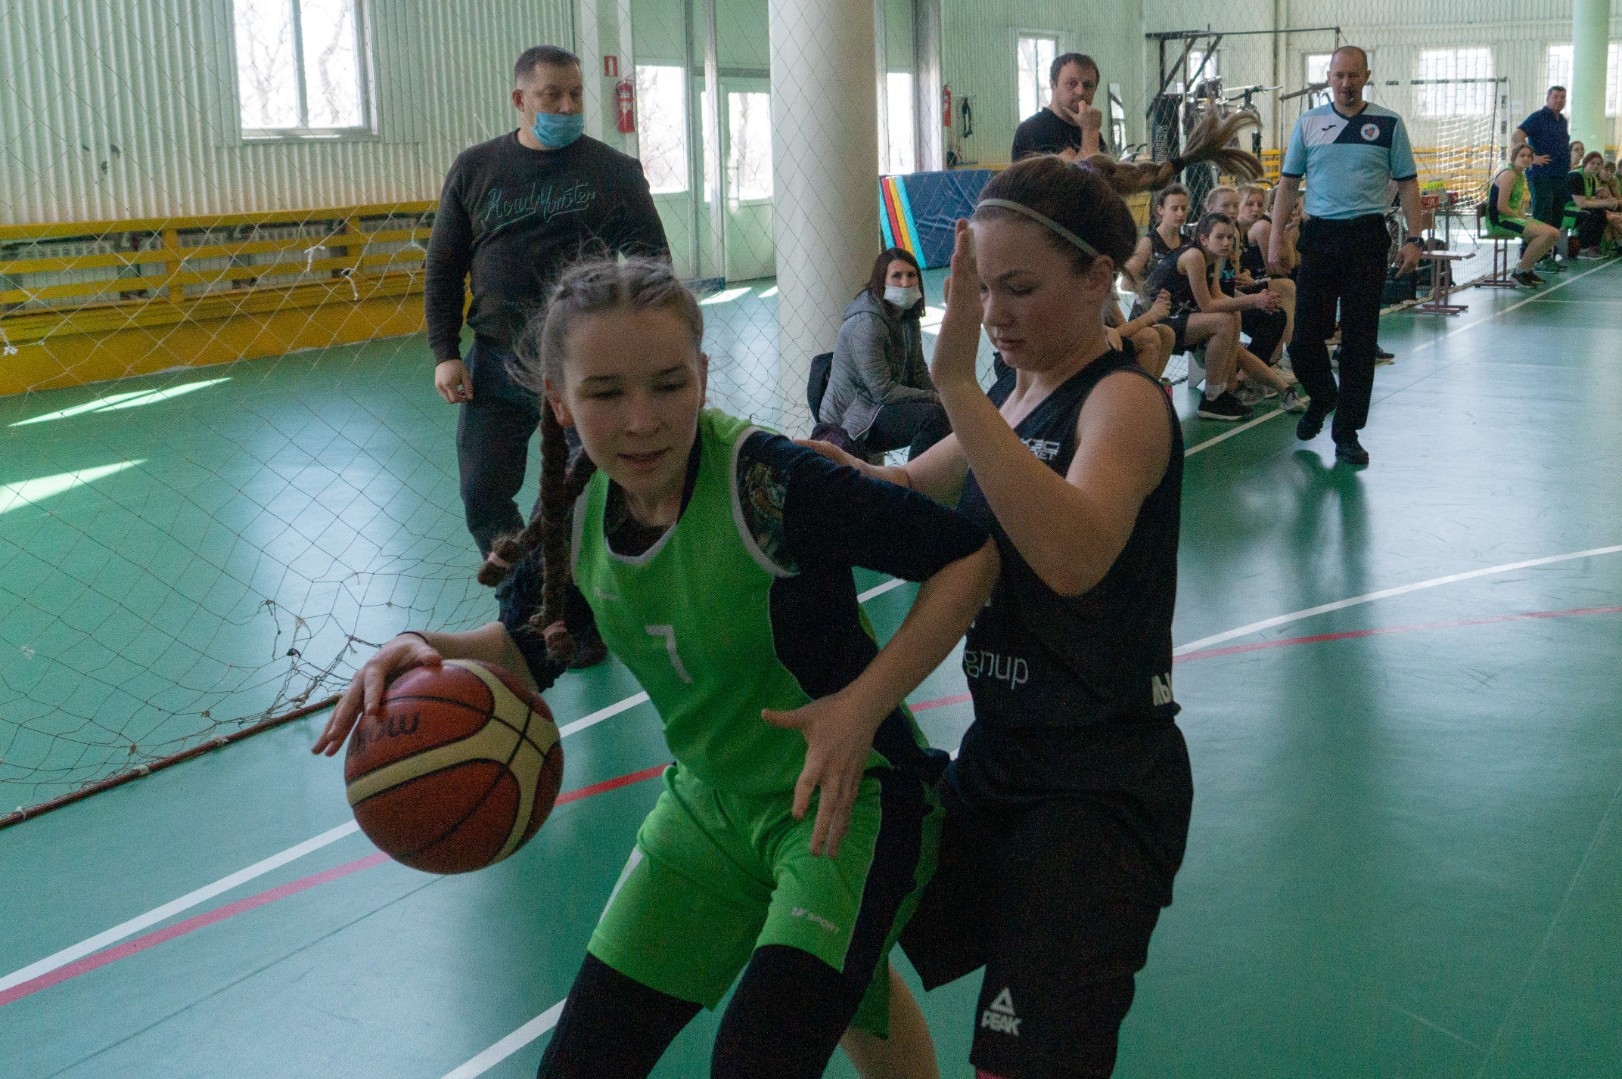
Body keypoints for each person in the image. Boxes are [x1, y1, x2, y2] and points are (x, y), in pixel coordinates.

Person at [315, 258, 999, 1079]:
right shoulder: (575, 510)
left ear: (702, 376)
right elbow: (526, 646)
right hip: (709, 806)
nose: (642, 420)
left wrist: (862, 705)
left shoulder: (770, 483)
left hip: (849, 801)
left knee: (758, 1056)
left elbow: (967, 556)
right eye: (605, 394)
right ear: (558, 402)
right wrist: (427, 645)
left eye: (669, 385)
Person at [804, 121, 1255, 1077]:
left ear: (1096, 279)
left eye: (1018, 289)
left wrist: (957, 387)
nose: (994, 315)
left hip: (1098, 786)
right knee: (828, 936)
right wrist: (793, 470)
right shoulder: (1013, 397)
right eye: (979, 290)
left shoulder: (1119, 404)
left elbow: (1072, 555)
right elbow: (903, 488)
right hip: (1000, 760)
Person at [425, 46, 670, 566]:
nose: (566, 107)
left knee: (588, 490)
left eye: (575, 94)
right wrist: (445, 352)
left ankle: (576, 592)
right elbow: (443, 267)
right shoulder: (475, 169)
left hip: (586, 360)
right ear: (520, 100)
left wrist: (646, 344)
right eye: (551, 95)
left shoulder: (614, 173)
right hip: (497, 361)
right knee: (482, 492)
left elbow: (653, 265)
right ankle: (521, 586)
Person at [1268, 45, 1423, 467]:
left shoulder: (1389, 124)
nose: (1346, 83)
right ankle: (1323, 396)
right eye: (1339, 75)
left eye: (1354, 75)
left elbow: (1408, 184)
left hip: (1366, 238)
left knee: (1358, 340)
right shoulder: (1309, 123)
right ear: (1328, 78)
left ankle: (1347, 432)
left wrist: (1415, 238)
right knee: (1304, 339)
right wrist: (1275, 237)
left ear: (1366, 76)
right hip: (1319, 238)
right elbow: (1288, 184)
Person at [821, 248, 951, 460]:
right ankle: (915, 479)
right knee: (932, 418)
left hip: (875, 406)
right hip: (854, 417)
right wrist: (935, 398)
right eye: (896, 276)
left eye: (911, 275)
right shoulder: (867, 324)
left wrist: (942, 398)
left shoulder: (907, 317)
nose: (906, 283)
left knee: (948, 412)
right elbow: (882, 392)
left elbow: (918, 371)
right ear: (881, 281)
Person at [1510, 87, 1572, 274]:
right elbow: (1517, 135)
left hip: (1560, 175)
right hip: (1542, 175)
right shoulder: (1538, 117)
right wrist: (1531, 157)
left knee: (1556, 217)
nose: (1559, 100)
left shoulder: (1562, 121)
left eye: (1562, 97)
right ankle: (1528, 258)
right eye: (1555, 96)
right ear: (1547, 98)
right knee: (1542, 215)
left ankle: (1545, 256)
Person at [1486, 144, 1560, 286]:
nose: (1526, 158)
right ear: (1514, 157)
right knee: (1546, 234)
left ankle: (1526, 269)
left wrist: (1523, 217)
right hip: (1500, 221)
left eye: (1529, 156)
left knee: (1554, 233)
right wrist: (1521, 217)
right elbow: (1502, 207)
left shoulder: (1520, 175)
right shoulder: (1509, 175)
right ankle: (1519, 272)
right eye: (1522, 155)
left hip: (1512, 217)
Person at [1012, 53, 1108, 161]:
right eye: (1071, 83)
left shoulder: (1091, 131)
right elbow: (1085, 171)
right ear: (1053, 85)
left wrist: (1090, 133)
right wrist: (1090, 134)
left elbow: (1102, 172)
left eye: (1088, 85)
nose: (1080, 92)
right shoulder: (1030, 132)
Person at [1120, 183, 1191, 291]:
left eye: (1184, 208)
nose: (1180, 213)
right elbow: (1126, 283)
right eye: (1174, 208)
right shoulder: (1149, 242)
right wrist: (1157, 289)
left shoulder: (1187, 243)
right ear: (1160, 209)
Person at [1568, 151, 1620, 257]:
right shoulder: (1576, 175)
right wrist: (1605, 203)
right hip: (1565, 209)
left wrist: (1608, 202)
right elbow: (1581, 203)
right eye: (1593, 163)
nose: (1596, 166)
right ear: (1585, 163)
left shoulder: (1591, 178)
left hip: (1578, 207)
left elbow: (1591, 200)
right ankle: (1582, 247)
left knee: (1601, 212)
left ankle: (1594, 247)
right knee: (1591, 214)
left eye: (1598, 164)